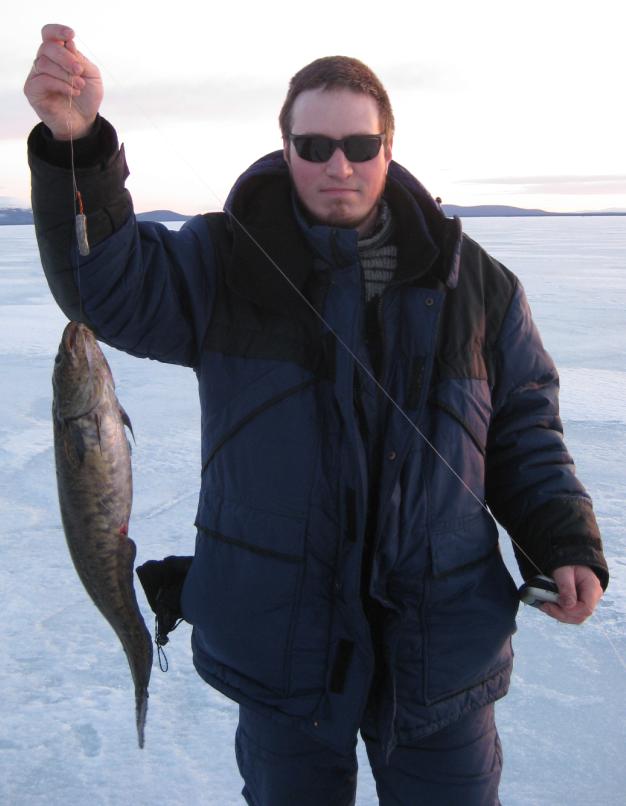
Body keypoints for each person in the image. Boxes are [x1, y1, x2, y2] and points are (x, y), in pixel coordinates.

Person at [25, 24, 609, 806]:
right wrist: (79, 145)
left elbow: (525, 437)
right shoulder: (222, 264)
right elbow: (106, 288)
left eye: (361, 146)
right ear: (287, 148)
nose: (339, 165)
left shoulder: (482, 288)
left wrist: (562, 541)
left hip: (439, 648)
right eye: (315, 146)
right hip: (282, 647)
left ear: (389, 149)